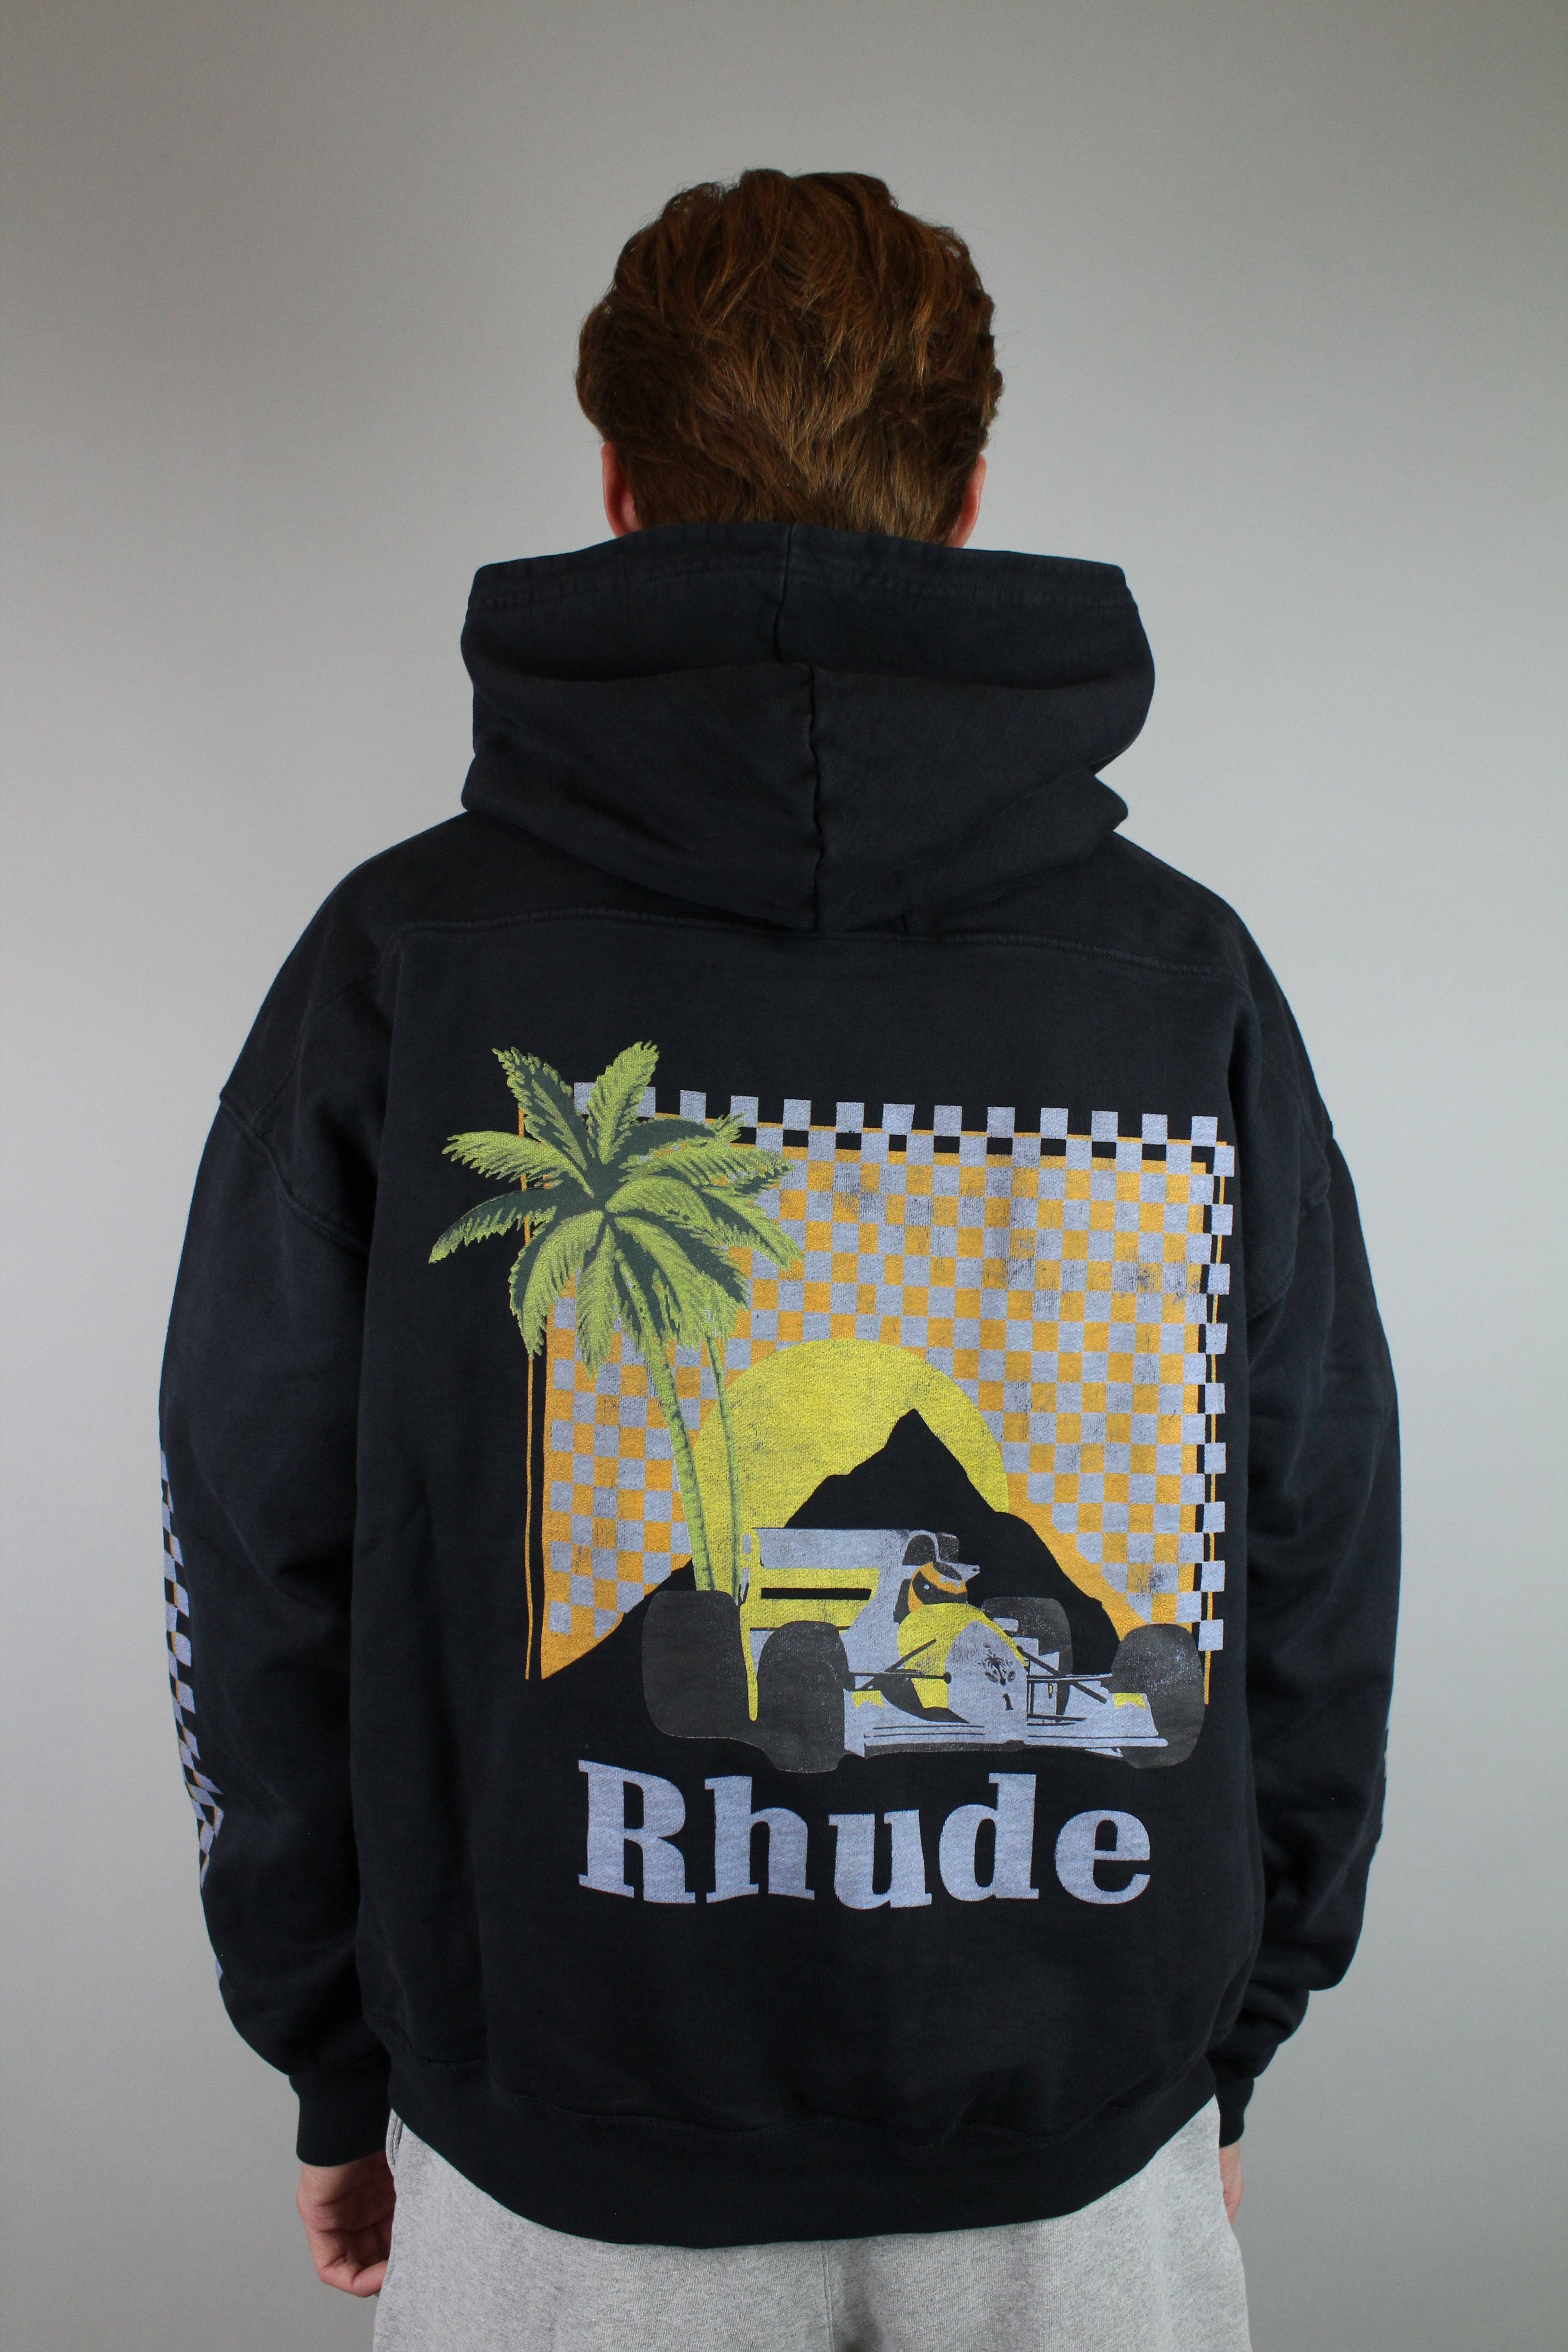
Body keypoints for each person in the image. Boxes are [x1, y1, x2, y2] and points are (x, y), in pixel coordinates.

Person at [160, 170, 1399, 2352]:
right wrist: (1232, 2026)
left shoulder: (407, 964)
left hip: (557, 2133)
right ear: (971, 496)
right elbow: (1311, 1535)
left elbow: (257, 1547)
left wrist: (332, 2052)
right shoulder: (1180, 982)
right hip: (1077, 2133)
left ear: (618, 487)